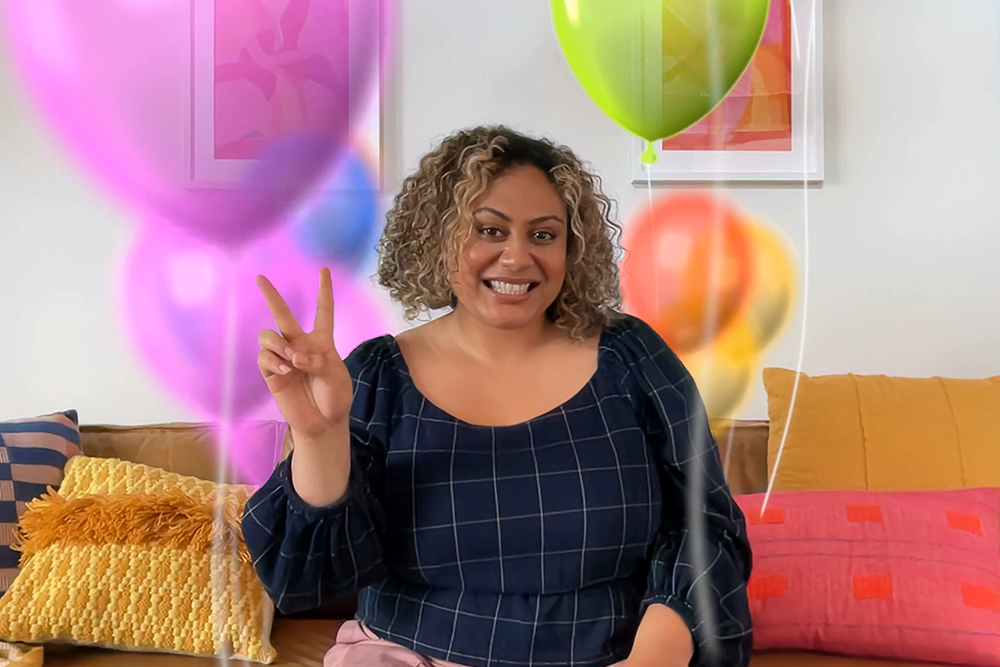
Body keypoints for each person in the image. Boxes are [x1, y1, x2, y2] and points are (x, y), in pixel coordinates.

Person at [242, 126, 752, 667]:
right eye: (489, 230)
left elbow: (706, 527)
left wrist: (652, 658)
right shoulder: (378, 375)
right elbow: (309, 581)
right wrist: (319, 437)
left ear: (571, 249)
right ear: (439, 240)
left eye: (543, 235)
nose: (515, 258)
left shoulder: (633, 358)